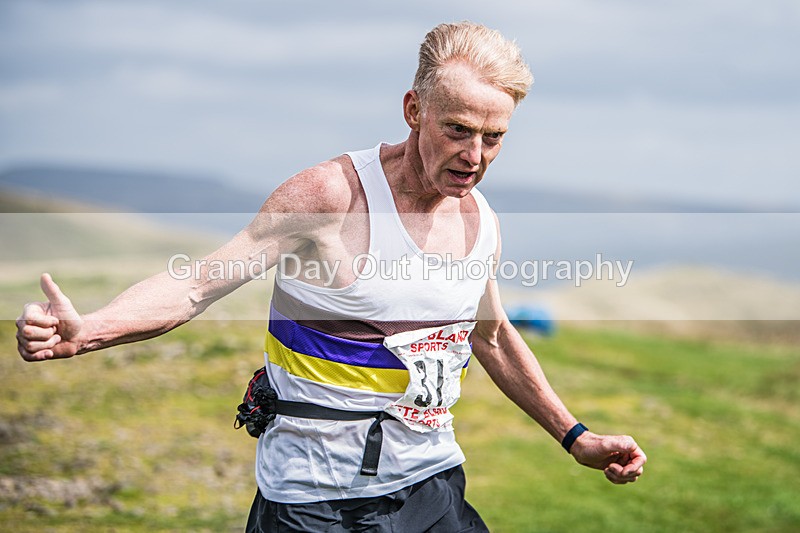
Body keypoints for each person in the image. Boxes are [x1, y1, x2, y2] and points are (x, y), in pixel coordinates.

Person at [16, 21, 646, 532]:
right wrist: (91, 330)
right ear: (413, 109)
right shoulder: (328, 197)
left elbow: (491, 336)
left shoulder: (480, 217)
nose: (474, 156)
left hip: (429, 488)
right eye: (458, 130)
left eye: (494, 137)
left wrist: (575, 436)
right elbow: (196, 284)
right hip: (314, 502)